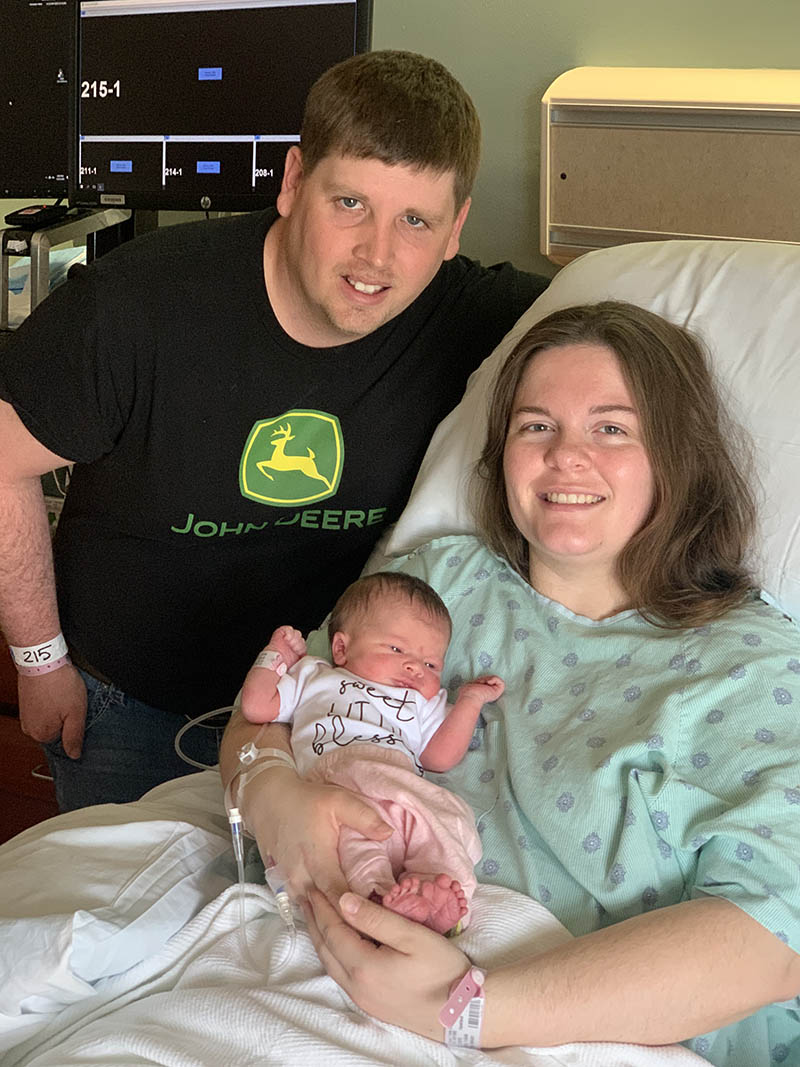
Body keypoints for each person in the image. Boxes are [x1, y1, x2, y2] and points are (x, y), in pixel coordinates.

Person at [221, 302, 800, 1066]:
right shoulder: (436, 583)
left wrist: (464, 1006)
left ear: (677, 455)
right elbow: (272, 715)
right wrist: (270, 795)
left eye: (611, 428)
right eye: (536, 426)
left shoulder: (753, 664)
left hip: (570, 1019)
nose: (566, 455)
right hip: (332, 952)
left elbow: (773, 937)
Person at [0, 49, 549, 811]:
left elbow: (648, 325)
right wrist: (38, 661)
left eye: (415, 219)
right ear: (294, 183)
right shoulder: (134, 308)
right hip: (126, 708)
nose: (377, 255)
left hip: (329, 714)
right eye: (349, 203)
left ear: (455, 227)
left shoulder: (474, 318)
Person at [238, 571, 504, 933]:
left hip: (400, 788)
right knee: (349, 846)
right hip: (336, 785)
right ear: (342, 649)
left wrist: (468, 702)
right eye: (396, 649)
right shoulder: (315, 676)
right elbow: (256, 707)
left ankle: (439, 896)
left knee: (449, 821)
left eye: (431, 665)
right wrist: (275, 656)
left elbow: (438, 757)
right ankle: (377, 900)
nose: (414, 667)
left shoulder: (420, 701)